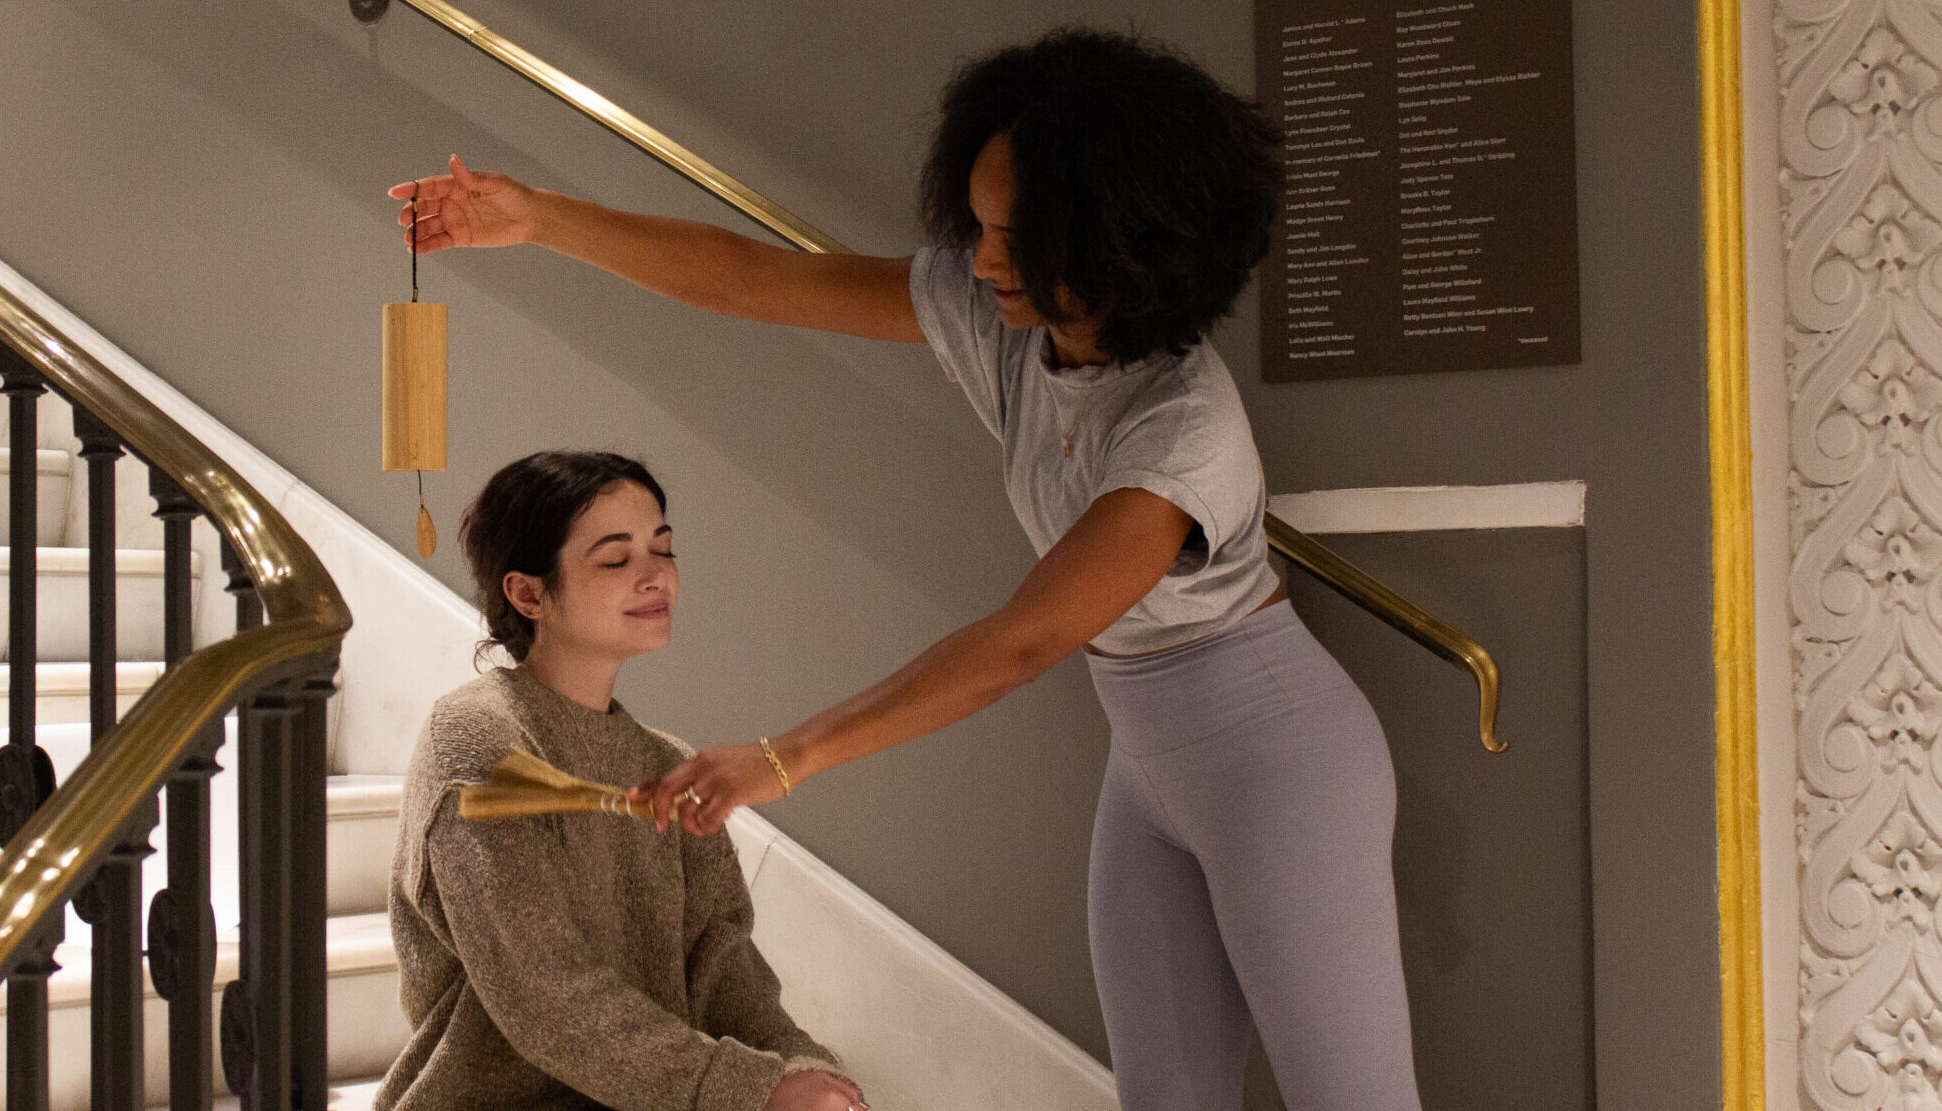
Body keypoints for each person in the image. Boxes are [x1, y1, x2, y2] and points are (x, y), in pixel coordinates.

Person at [387, 27, 1421, 1111]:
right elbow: (753, 279)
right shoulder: (1007, 325)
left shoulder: (1181, 437)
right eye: (976, 228)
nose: (980, 262)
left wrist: (778, 759)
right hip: (1148, 766)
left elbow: (1020, 642)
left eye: (1013, 239)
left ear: (1112, 243)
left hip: (1276, 767)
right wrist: (538, 218)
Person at [380, 451, 865, 1111]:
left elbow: (721, 965)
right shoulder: (476, 738)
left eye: (663, 550)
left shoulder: (668, 762)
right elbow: (545, 993)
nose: (656, 574)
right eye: (616, 558)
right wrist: (747, 1089)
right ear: (528, 593)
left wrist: (805, 1068)